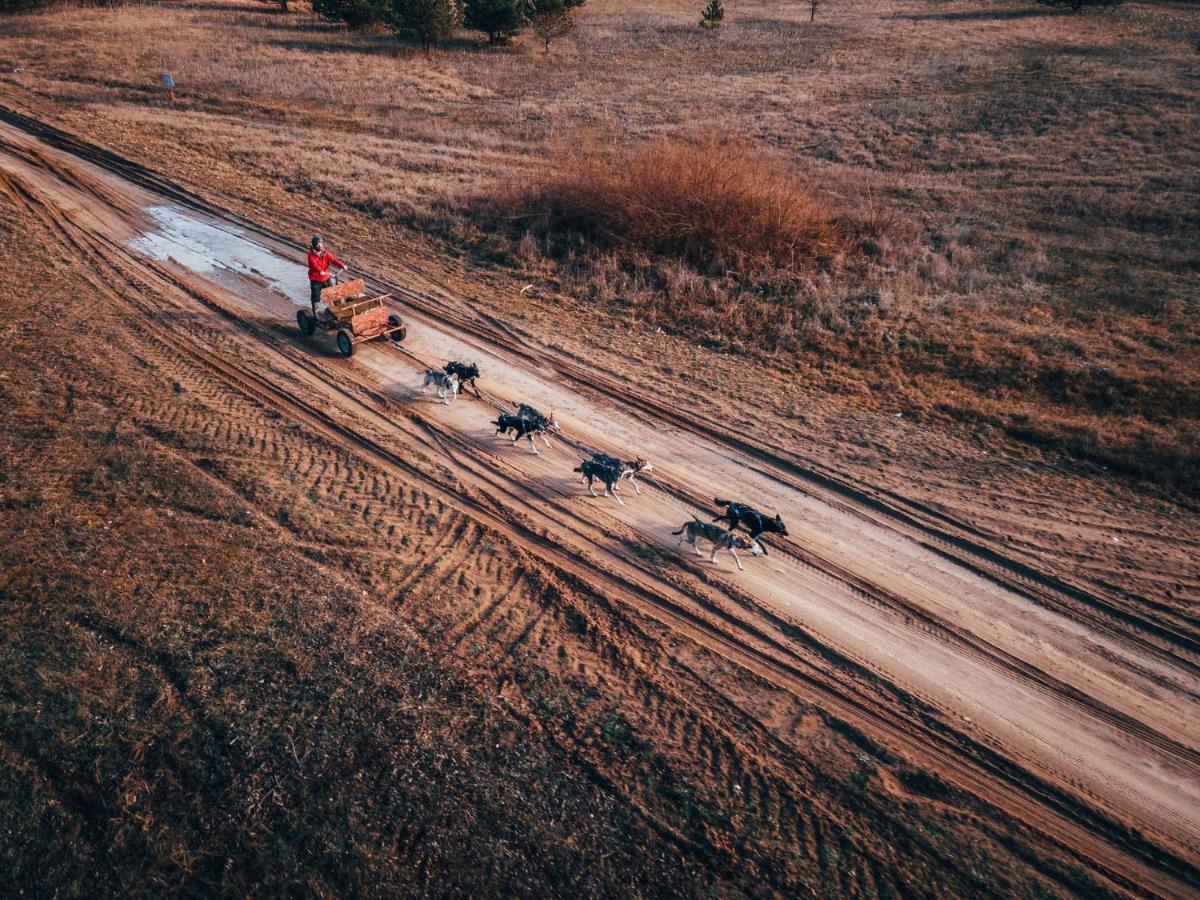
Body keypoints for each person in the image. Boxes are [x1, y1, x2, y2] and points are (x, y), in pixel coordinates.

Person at [307, 235, 347, 315]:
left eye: (321, 244)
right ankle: (316, 313)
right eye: (318, 244)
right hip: (316, 279)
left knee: (332, 293)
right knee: (316, 296)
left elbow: (333, 260)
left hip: (325, 277)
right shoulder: (311, 255)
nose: (320, 246)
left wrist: (342, 265)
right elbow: (314, 264)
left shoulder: (326, 253)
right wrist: (320, 271)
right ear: (314, 245)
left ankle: (337, 309)